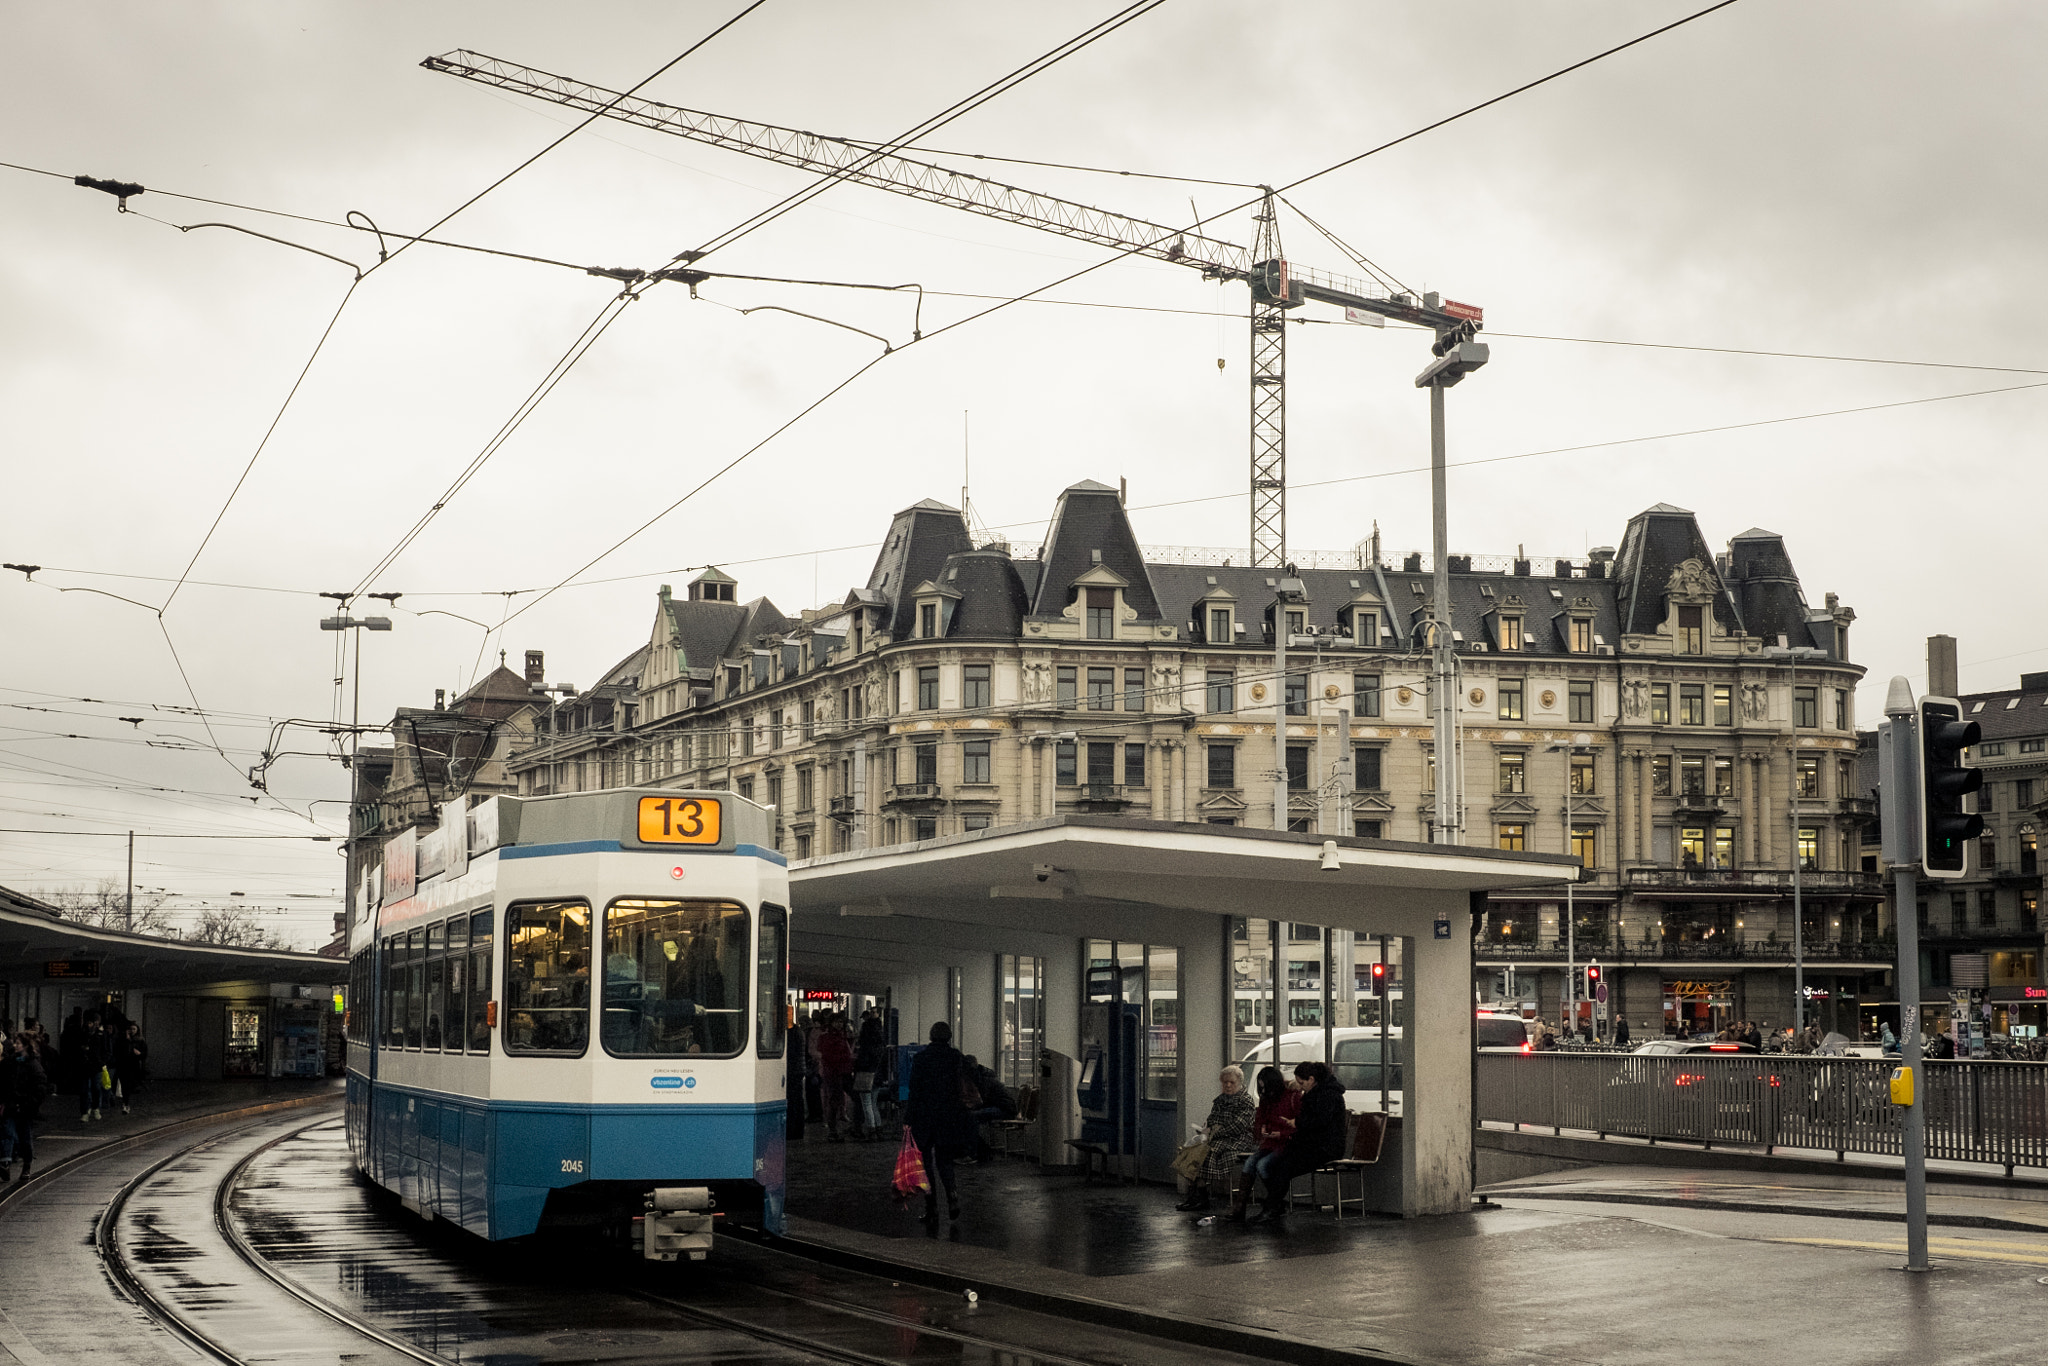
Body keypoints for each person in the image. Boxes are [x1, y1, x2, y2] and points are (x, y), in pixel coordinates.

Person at [1256, 1061, 1349, 1223]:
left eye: (1301, 1082)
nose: (1300, 1086)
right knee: (1280, 1166)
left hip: (1325, 1148)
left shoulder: (1327, 1096)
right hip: (1317, 1145)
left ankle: (1272, 1207)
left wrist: (1297, 1123)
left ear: (1311, 1079)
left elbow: (1319, 1122)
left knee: (1283, 1167)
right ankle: (1273, 1206)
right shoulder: (1323, 1094)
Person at [906, 1021, 976, 1222]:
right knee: (945, 1161)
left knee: (926, 1163)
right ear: (949, 1036)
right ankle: (953, 1197)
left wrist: (909, 1118)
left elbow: (914, 1091)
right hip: (949, 1118)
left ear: (931, 1036)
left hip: (925, 1118)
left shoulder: (921, 1059)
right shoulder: (956, 1058)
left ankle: (932, 1207)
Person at [1182, 1064, 1255, 1214]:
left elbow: (1238, 1127)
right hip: (1218, 1137)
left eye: (1231, 1082)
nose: (1228, 1085)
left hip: (1237, 1139)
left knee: (1205, 1154)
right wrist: (1206, 1128)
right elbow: (1211, 1119)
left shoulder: (1245, 1101)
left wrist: (1214, 1132)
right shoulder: (1220, 1100)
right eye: (1225, 1082)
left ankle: (1201, 1198)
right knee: (1191, 1151)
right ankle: (1195, 1195)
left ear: (1239, 1083)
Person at [1229, 1066, 1298, 1223]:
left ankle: (1272, 1204)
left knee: (1260, 1164)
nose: (1264, 1090)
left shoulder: (1291, 1097)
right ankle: (1248, 1207)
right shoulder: (1270, 1098)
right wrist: (1261, 1130)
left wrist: (1278, 1133)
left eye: (1265, 1086)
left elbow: (1300, 1124)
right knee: (1251, 1164)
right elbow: (1260, 1119)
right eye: (1261, 1088)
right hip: (1272, 1143)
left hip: (1285, 1143)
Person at [1, 1032, 49, 1183]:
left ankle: (26, 1164)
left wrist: (29, 1104)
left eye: (18, 1043)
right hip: (10, 1105)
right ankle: (5, 1162)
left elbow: (40, 1087)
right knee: (7, 1133)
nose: (15, 1045)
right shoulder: (10, 1062)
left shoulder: (33, 1065)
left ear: (26, 1046)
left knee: (24, 1137)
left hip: (25, 1108)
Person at [816, 1013, 855, 1141]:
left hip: (840, 1072)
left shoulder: (837, 1037)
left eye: (841, 1022)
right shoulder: (832, 1038)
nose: (839, 1024)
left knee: (835, 1101)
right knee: (835, 1101)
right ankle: (833, 1131)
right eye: (837, 1022)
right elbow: (830, 1056)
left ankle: (835, 1131)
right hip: (835, 1073)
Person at [852, 1009, 887, 1140]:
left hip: (865, 1075)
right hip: (878, 1077)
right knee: (873, 1103)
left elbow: (862, 1063)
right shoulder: (881, 1045)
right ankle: (878, 1129)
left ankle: (871, 1130)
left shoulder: (865, 1048)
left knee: (866, 1103)